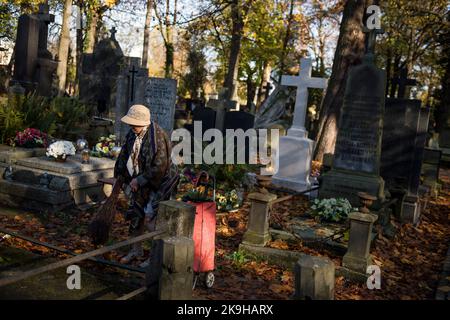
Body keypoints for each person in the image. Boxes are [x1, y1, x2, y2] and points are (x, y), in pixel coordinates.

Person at [114, 104, 172, 266]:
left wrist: (139, 180)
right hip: (139, 181)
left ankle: (157, 255)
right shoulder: (133, 133)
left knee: (149, 219)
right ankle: (136, 250)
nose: (131, 126)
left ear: (143, 122)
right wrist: (119, 176)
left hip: (159, 182)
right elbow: (124, 154)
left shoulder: (157, 137)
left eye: (134, 123)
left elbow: (160, 167)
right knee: (136, 216)